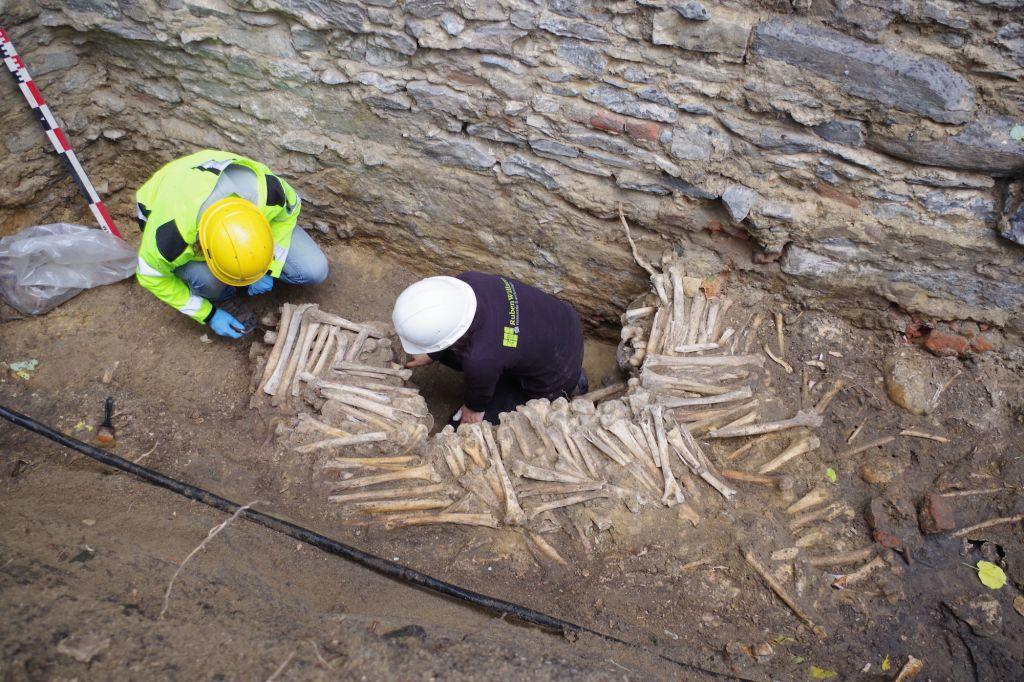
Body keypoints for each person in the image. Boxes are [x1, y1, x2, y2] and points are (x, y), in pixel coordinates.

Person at [134, 149, 329, 338]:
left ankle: (244, 271)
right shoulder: (170, 238)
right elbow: (150, 276)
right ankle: (222, 297)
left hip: (216, 185)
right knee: (206, 280)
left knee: (314, 269)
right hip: (167, 203)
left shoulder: (268, 193)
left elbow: (288, 214)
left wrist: (270, 265)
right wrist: (208, 314)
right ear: (204, 249)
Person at [393, 272, 587, 426]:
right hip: (563, 326)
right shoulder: (468, 281)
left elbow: (478, 396)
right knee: (474, 357)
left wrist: (473, 408)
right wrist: (433, 351)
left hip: (556, 376)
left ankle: (570, 387)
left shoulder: (480, 359)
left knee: (456, 426)